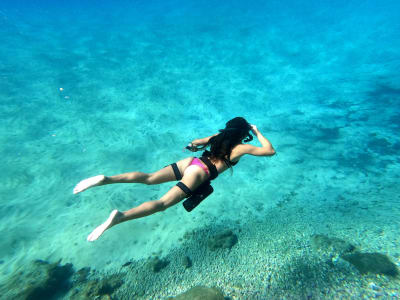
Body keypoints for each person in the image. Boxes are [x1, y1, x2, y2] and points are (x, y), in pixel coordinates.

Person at [73, 117, 275, 241]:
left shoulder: (218, 136)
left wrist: (192, 146)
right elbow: (269, 151)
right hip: (200, 174)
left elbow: (195, 143)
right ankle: (120, 217)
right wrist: (257, 132)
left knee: (149, 177)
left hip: (191, 162)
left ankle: (105, 179)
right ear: (243, 132)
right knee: (162, 204)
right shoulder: (241, 147)